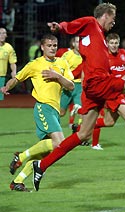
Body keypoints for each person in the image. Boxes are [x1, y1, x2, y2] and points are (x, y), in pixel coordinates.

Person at [32, 2, 125, 191]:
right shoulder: (91, 24)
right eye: (112, 20)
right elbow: (72, 26)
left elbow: (92, 55)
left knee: (82, 134)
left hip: (92, 88)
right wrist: (60, 26)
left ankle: (41, 166)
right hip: (99, 84)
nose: (113, 24)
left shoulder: (97, 38)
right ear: (105, 15)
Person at [1, 34, 74, 191]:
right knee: (60, 143)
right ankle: (20, 157)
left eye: (55, 45)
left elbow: (71, 86)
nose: (53, 48)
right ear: (42, 47)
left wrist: (57, 76)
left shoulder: (62, 63)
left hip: (54, 110)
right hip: (43, 107)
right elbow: (17, 78)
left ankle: (17, 181)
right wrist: (7, 87)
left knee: (46, 152)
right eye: (49, 45)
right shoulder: (35, 64)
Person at [91, 33, 125, 150]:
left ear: (118, 43)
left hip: (120, 92)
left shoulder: (123, 54)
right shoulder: (104, 57)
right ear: (107, 44)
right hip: (112, 93)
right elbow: (111, 77)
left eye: (116, 43)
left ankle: (84, 127)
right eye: (111, 43)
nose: (114, 45)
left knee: (109, 122)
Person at [60, 36, 83, 129]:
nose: (79, 44)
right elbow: (60, 68)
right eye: (77, 42)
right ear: (73, 44)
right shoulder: (67, 55)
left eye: (81, 42)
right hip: (67, 86)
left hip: (80, 86)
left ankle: (79, 132)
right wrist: (63, 81)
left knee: (82, 111)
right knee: (61, 112)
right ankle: (51, 129)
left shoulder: (86, 55)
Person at [0, 27, 17, 100]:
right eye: (0, 33)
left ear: (6, 35)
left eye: (4, 33)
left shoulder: (9, 47)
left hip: (2, 77)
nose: (2, 35)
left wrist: (14, 71)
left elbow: (12, 62)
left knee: (0, 98)